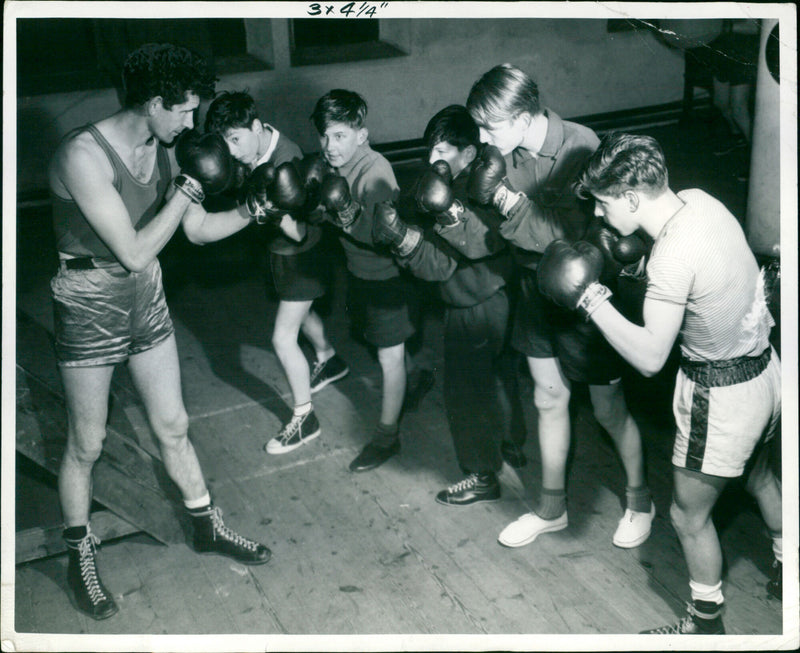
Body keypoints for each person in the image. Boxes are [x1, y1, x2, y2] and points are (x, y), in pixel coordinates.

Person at [48, 43, 270, 621]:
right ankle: (80, 553)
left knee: (173, 423)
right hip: (91, 295)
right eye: (184, 111)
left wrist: (254, 207)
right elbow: (133, 251)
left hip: (145, 296)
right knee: (86, 442)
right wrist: (187, 191)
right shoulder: (83, 155)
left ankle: (204, 522)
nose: (193, 123)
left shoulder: (164, 146)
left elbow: (194, 232)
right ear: (152, 103)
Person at [540, 132, 782, 634]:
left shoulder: (673, 255)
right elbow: (697, 273)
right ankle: (787, 559)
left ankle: (704, 623)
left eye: (605, 204)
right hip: (764, 373)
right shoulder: (698, 201)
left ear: (631, 197)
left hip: (720, 396)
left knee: (688, 517)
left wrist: (592, 300)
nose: (601, 217)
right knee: (758, 476)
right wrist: (637, 267)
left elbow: (651, 357)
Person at [433, 64, 654, 549]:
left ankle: (640, 499)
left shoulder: (580, 145)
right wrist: (449, 213)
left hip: (586, 293)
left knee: (608, 407)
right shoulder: (501, 154)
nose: (485, 139)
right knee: (547, 398)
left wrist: (510, 203)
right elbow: (484, 237)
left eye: (492, 127)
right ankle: (552, 510)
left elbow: (576, 239)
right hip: (534, 289)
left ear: (524, 114)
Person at [372, 105, 528, 505]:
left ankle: (481, 474)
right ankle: (510, 442)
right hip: (504, 295)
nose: (431, 160)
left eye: (442, 150)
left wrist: (403, 241)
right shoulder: (491, 184)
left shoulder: (458, 197)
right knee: (499, 374)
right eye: (430, 150)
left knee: (464, 389)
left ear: (469, 153)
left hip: (471, 305)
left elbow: (439, 266)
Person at [197, 90, 349, 455]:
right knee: (303, 312)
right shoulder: (248, 152)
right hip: (278, 253)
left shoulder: (290, 159)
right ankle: (330, 358)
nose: (232, 151)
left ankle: (304, 419)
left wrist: (274, 209)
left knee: (283, 338)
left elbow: (302, 232)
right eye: (225, 143)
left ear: (255, 126)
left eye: (235, 139)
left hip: (304, 255)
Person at [308, 89, 419, 472]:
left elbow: (383, 236)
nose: (329, 146)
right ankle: (416, 377)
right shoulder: (336, 167)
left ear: (362, 134)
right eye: (324, 136)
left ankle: (387, 438)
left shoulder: (377, 173)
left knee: (389, 358)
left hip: (388, 279)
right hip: (359, 276)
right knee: (386, 347)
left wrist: (344, 211)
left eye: (339, 136)